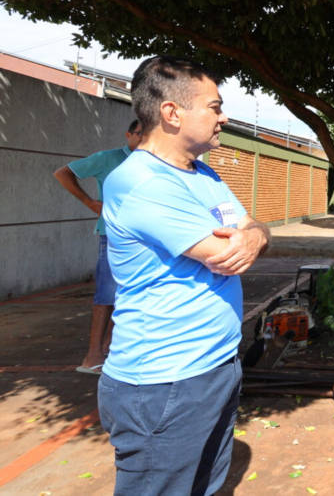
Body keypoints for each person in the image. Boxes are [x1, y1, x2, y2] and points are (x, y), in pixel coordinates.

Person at [99, 56, 270, 496]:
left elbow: (253, 231)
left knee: (205, 487)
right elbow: (222, 254)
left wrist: (253, 237)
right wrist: (245, 240)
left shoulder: (205, 175)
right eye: (214, 107)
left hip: (215, 366)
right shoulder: (139, 182)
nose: (223, 117)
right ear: (172, 114)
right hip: (164, 382)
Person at [54, 120, 144, 374]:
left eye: (149, 135)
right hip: (114, 235)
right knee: (106, 294)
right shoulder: (109, 158)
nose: (143, 139)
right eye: (139, 134)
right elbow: (63, 173)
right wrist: (90, 202)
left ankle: (110, 349)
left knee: (129, 293)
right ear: (128, 135)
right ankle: (92, 358)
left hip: (143, 237)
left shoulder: (154, 162)